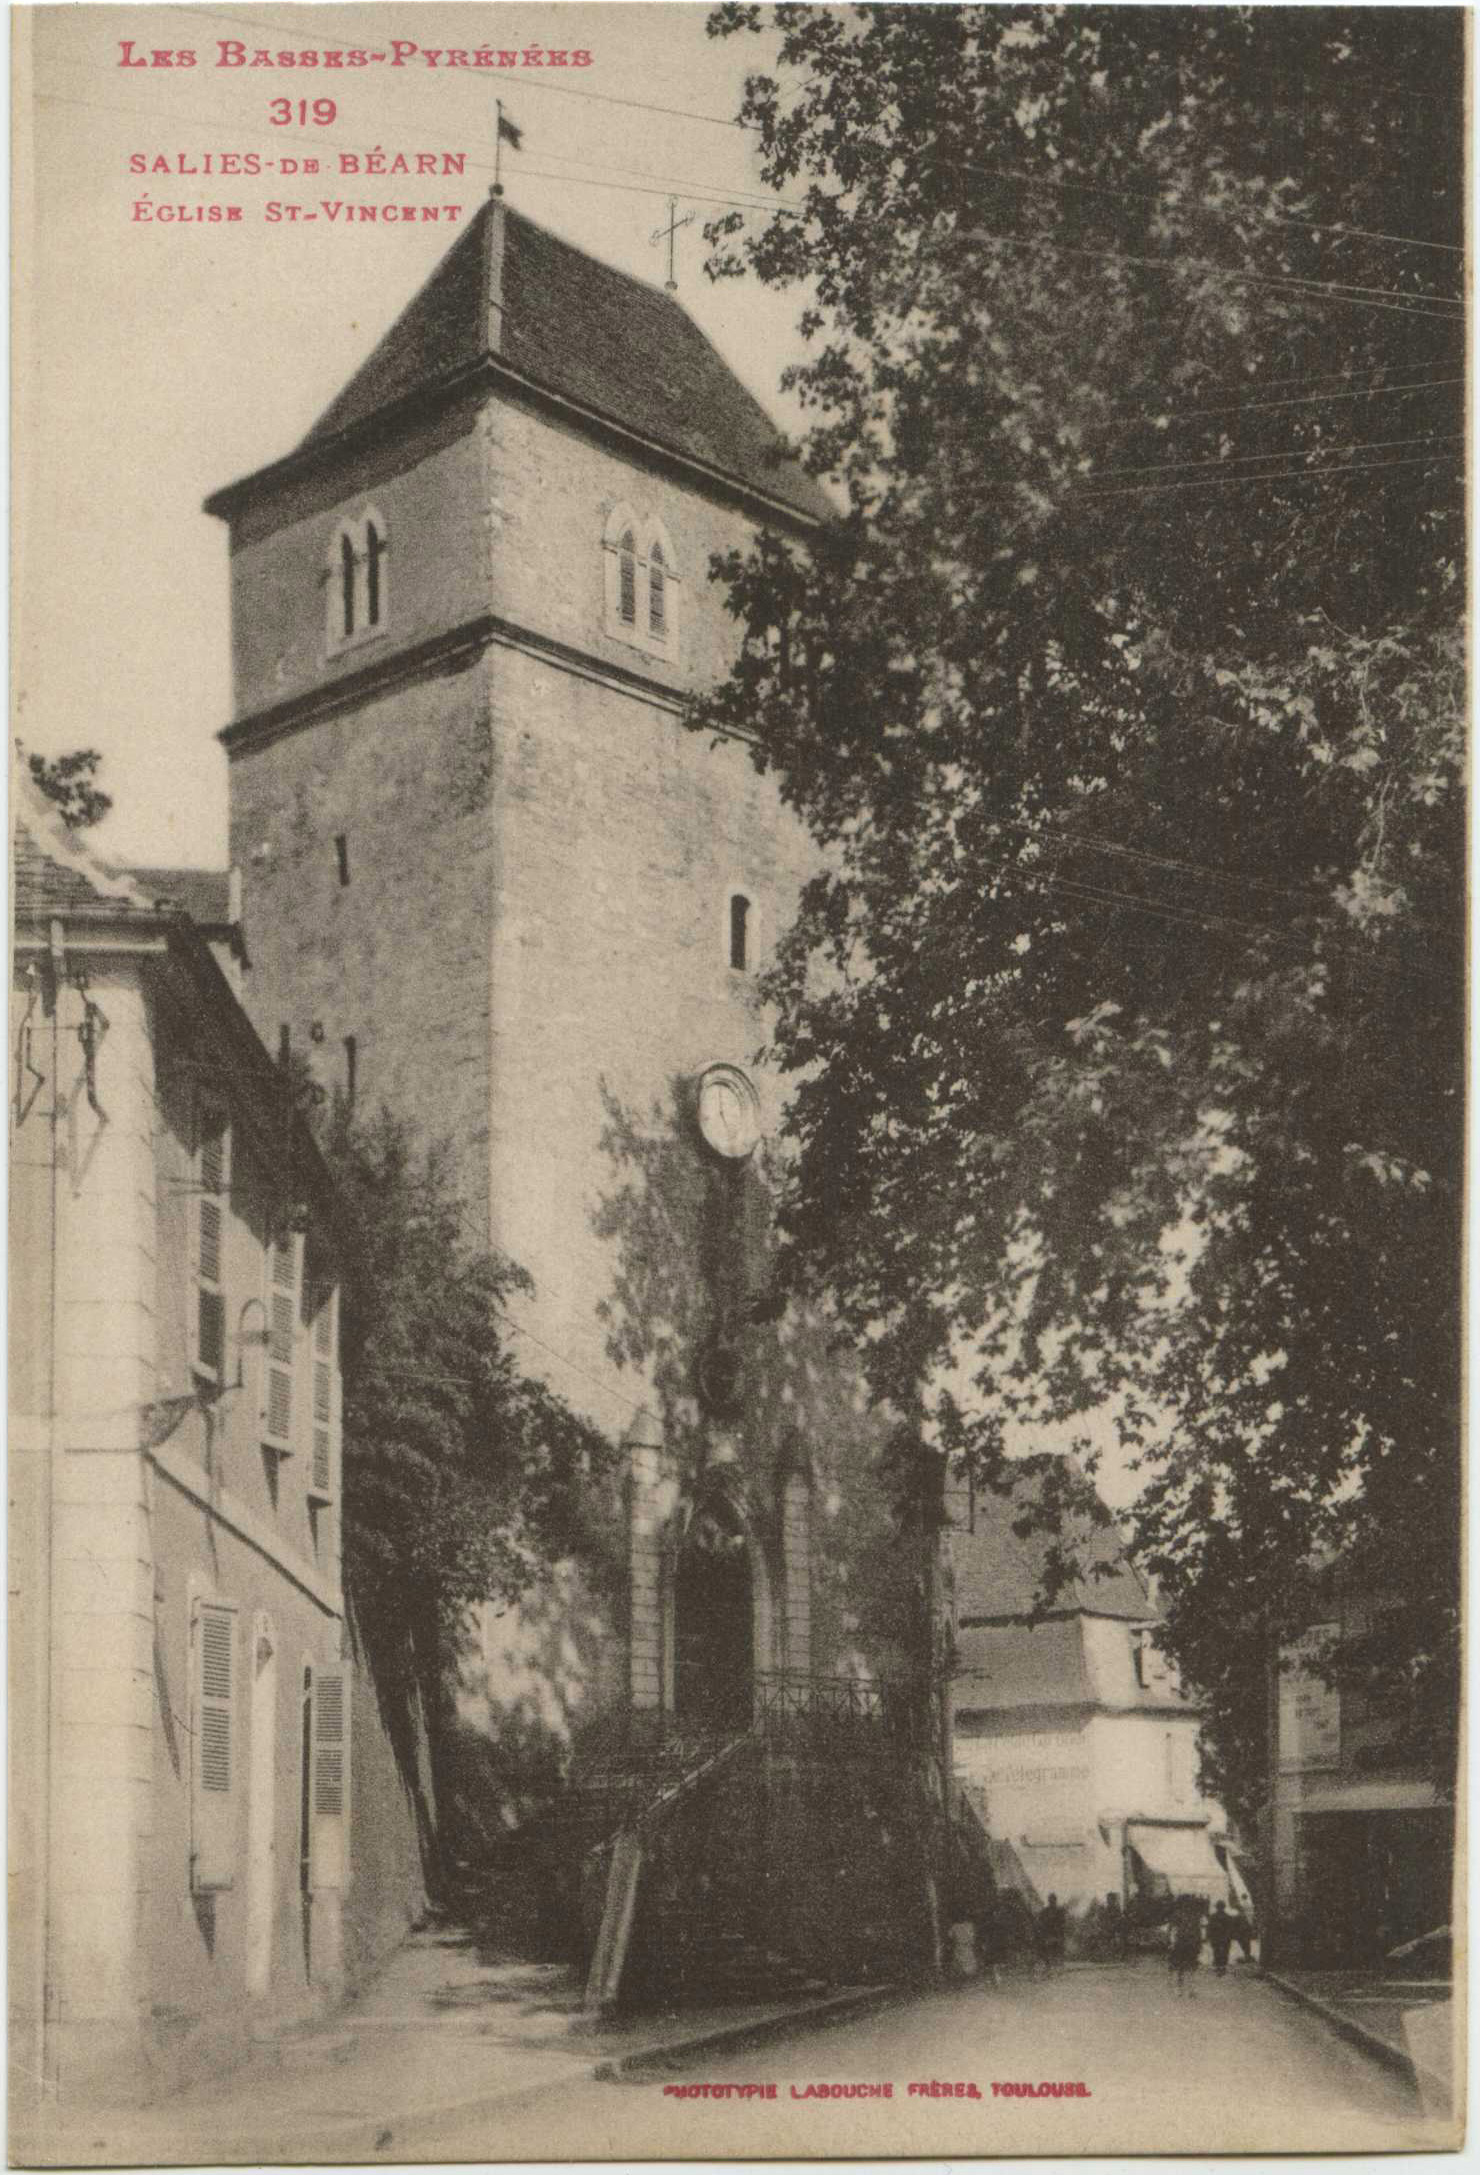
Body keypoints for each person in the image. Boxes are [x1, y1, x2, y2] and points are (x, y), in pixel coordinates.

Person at [1167, 1893, 1204, 1997]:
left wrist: (1171, 1943)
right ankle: (1191, 1990)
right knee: (1191, 1967)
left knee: (1178, 1967)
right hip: (1192, 1943)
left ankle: (1178, 1990)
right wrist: (1200, 1944)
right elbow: (1199, 1932)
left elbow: (1173, 1930)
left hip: (1180, 1943)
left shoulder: (1176, 1914)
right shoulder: (1195, 1915)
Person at [1034, 1893, 1068, 1975]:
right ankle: (1049, 1968)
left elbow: (1063, 1924)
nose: (1052, 1901)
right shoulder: (1045, 1911)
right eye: (1050, 1900)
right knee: (1047, 1951)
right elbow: (1040, 1922)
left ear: (1055, 1901)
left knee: (1057, 1952)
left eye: (1053, 1900)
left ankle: (1058, 1968)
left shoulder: (1059, 1911)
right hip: (1048, 1934)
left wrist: (1061, 1935)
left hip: (1056, 1935)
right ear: (1049, 1901)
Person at [1207, 1900, 1235, 1976]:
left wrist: (1208, 1937)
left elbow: (1209, 1928)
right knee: (1225, 1952)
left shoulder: (1212, 1917)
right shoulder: (1228, 1917)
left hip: (1216, 1937)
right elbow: (1231, 1929)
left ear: (1217, 1907)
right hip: (1225, 1937)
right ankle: (1223, 1966)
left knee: (1216, 1951)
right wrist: (1230, 1936)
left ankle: (1218, 1966)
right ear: (1224, 1907)